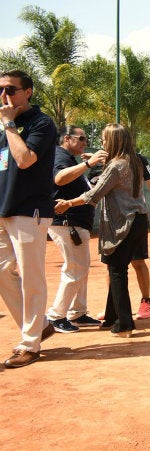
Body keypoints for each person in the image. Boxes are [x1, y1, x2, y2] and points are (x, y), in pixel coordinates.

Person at [55, 123, 148, 338]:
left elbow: (93, 195)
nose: (102, 143)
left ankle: (124, 324)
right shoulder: (134, 162)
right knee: (116, 268)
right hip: (138, 221)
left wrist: (68, 203)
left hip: (122, 223)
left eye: (105, 139)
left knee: (117, 271)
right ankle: (111, 316)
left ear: (113, 142)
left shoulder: (115, 166)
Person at [0, 69, 58, 368]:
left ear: (28, 92)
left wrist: (9, 124)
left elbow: (24, 160)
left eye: (10, 89)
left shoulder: (41, 123)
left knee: (31, 278)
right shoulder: (3, 127)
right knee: (3, 274)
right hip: (4, 210)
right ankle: (40, 326)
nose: (4, 96)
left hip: (29, 210)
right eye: (1, 90)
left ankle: (30, 344)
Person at [95, 154, 150, 322]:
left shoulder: (139, 160)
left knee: (137, 261)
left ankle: (146, 302)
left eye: (106, 139)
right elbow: (94, 187)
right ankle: (112, 307)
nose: (104, 143)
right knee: (111, 265)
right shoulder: (101, 160)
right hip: (112, 222)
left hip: (134, 218)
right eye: (103, 139)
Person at [47, 125, 106, 333]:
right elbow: (59, 178)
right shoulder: (59, 155)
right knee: (74, 269)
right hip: (66, 221)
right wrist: (88, 164)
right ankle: (55, 316)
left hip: (76, 222)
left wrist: (87, 166)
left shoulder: (69, 159)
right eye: (80, 138)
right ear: (66, 139)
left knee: (81, 268)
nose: (84, 142)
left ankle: (77, 312)